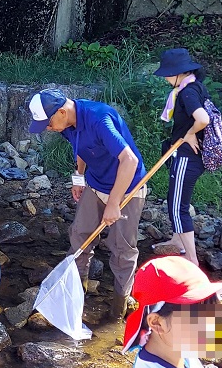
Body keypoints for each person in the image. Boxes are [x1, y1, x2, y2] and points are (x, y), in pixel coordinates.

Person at [28, 88, 145, 320]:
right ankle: (75, 300)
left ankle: (117, 313)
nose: (47, 129)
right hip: (95, 183)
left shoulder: (99, 119)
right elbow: (81, 147)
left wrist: (113, 203)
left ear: (61, 111)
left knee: (122, 249)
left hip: (127, 187)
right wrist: (79, 178)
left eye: (48, 124)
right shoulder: (66, 124)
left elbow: (129, 160)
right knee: (80, 236)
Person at [151, 48, 211, 266]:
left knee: (177, 207)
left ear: (178, 72)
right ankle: (177, 240)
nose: (166, 77)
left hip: (188, 157)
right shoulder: (195, 86)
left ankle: (192, 260)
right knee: (174, 198)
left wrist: (189, 134)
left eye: (167, 73)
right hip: (186, 156)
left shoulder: (187, 92)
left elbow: (202, 119)